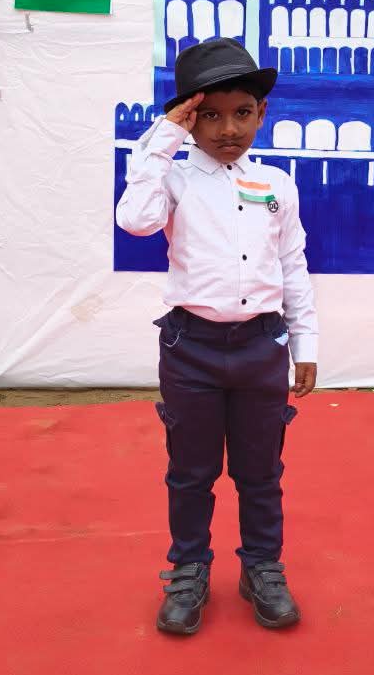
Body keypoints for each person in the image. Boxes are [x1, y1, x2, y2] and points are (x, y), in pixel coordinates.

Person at [116, 37, 318, 636]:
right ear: (189, 117)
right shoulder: (172, 180)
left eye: (242, 113)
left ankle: (262, 567)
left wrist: (305, 343)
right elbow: (135, 221)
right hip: (191, 349)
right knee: (190, 472)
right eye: (210, 115)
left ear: (262, 113)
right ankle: (188, 571)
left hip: (262, 348)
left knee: (261, 471)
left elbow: (293, 267)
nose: (229, 129)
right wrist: (164, 137)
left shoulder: (278, 185)